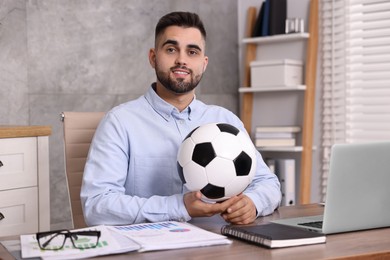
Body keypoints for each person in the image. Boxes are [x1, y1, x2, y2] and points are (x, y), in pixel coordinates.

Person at [80, 11, 281, 226]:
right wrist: (179, 207)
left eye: (192, 52)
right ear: (153, 57)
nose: (181, 60)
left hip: (222, 247)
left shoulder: (226, 120)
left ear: (204, 63)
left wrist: (253, 202)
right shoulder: (119, 123)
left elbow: (267, 182)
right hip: (150, 250)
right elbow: (97, 206)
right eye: (171, 49)